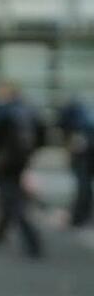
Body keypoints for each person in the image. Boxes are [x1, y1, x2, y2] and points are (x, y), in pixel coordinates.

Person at [0, 80, 46, 259]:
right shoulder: (30, 110)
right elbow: (42, 135)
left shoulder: (3, 110)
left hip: (6, 160)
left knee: (11, 198)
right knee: (8, 196)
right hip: (22, 160)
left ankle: (31, 239)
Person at [57, 97, 94, 227]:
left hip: (83, 155)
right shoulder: (85, 117)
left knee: (83, 186)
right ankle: (83, 216)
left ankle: (80, 217)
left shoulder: (79, 124)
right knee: (85, 187)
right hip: (85, 154)